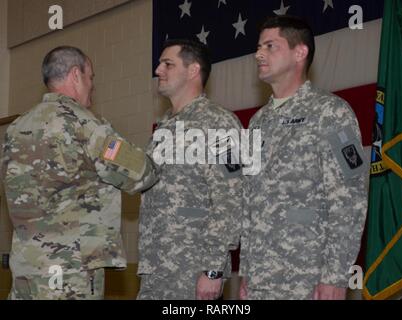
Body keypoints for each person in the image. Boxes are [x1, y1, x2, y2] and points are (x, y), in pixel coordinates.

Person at [1, 46, 158, 300]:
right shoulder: (83, 124)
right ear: (76, 75)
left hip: (25, 270)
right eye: (90, 77)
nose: (92, 86)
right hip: (70, 273)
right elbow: (140, 173)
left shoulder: (17, 127)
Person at [239, 15, 369, 300]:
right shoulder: (258, 122)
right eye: (259, 46)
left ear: (300, 52)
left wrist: (335, 276)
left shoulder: (331, 112)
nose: (258, 54)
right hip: (261, 279)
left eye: (270, 46)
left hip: (308, 279)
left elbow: (349, 199)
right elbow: (251, 203)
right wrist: (246, 271)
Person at [137, 39, 243, 300]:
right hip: (156, 267)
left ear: (193, 70)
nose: (158, 70)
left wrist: (213, 270)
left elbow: (232, 199)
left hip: (192, 270)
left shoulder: (221, 121)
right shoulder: (163, 127)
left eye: (168, 64)